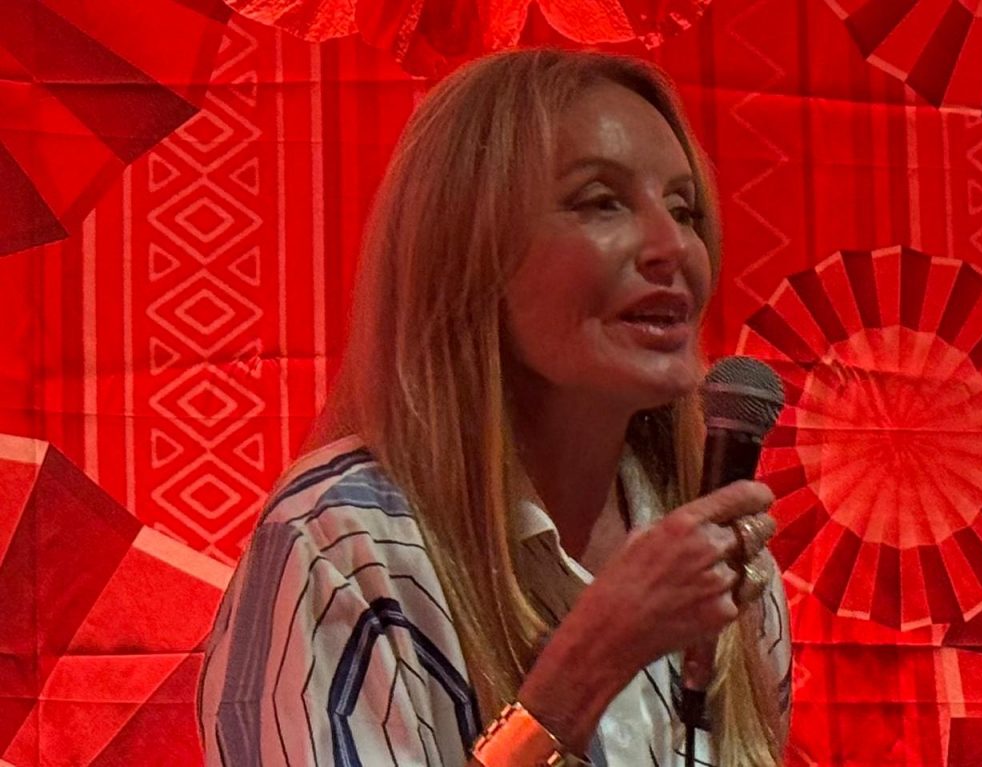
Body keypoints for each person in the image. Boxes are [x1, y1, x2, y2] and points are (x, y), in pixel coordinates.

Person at [198, 48, 791, 767]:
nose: (673, 247)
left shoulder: (724, 563)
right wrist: (582, 672)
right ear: (469, 253)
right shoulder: (343, 544)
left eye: (684, 210)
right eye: (601, 201)